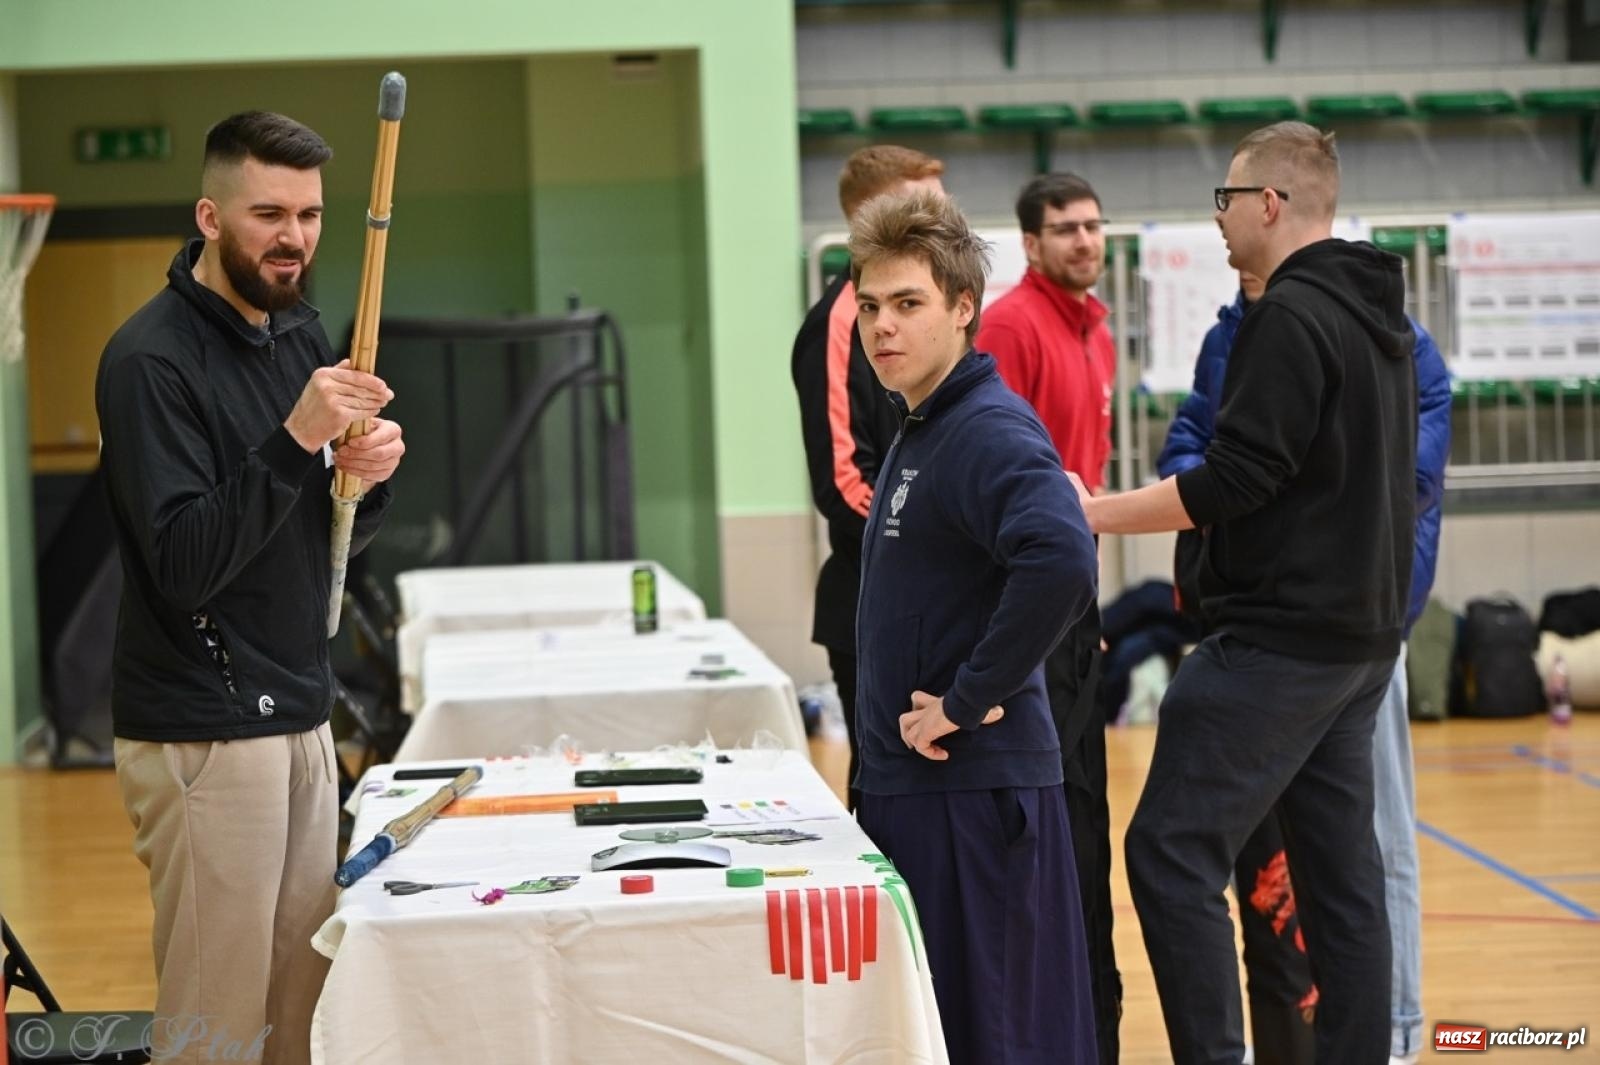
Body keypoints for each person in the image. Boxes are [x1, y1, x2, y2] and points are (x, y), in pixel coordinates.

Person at [1071, 121, 1416, 1065]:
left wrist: (1093, 514)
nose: (1218, 219)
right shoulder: (1377, 314)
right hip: (1359, 645)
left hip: (1282, 645)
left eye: (1225, 199)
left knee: (1169, 852)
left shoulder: (1289, 316)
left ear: (1270, 203)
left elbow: (1231, 480)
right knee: (1340, 877)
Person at [96, 110, 405, 1065]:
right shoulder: (149, 362)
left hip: (300, 708)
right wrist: (298, 438)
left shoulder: (300, 329)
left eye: (309, 214)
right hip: (203, 728)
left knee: (301, 1015)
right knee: (216, 1027)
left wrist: (369, 478)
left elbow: (319, 536)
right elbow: (184, 561)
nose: (294, 237)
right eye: (268, 212)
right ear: (210, 216)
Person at [1156, 273, 1451, 1065]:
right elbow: (1190, 442)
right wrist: (1245, 482)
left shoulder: (1398, 340)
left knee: (1369, 850)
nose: (1225, 229)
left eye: (1235, 202)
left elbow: (1400, 479)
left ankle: (1396, 1032)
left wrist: (1252, 487)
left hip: (1350, 630)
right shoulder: (1231, 335)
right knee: (1298, 861)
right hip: (1265, 619)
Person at [850, 188, 1101, 1065]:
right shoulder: (922, 427)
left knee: (999, 1038)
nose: (883, 326)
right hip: (919, 794)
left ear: (964, 309)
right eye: (871, 307)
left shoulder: (986, 428)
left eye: (908, 304)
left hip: (972, 795)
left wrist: (969, 695)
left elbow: (1064, 555)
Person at [974, 171, 1122, 1062]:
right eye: (1065, 229)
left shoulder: (1094, 331)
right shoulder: (1011, 326)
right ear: (1029, 244)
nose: (1084, 241)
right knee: (1057, 831)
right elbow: (1015, 493)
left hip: (1077, 612)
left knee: (1089, 831)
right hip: (1034, 621)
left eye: (1094, 226)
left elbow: (1085, 488)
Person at [791, 144, 944, 809]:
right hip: (874, 604)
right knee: (890, 797)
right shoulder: (836, 325)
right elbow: (843, 480)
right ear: (870, 219)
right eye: (926, 208)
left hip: (946, 603)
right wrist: (930, 549)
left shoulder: (941, 316)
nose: (946, 221)